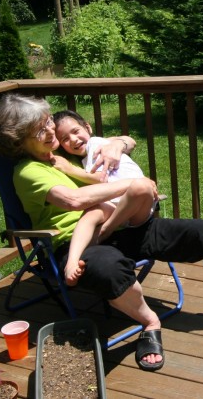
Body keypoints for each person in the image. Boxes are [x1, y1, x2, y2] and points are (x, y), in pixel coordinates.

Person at [0, 94, 203, 373]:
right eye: (39, 129)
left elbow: (115, 143)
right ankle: (150, 323)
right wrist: (133, 186)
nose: (49, 132)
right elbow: (73, 200)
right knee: (109, 268)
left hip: (117, 225)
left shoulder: (60, 157)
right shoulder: (27, 170)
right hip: (78, 243)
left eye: (48, 123)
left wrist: (119, 142)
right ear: (18, 142)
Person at [50, 110, 157, 286]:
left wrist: (69, 169)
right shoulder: (86, 157)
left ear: (87, 127)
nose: (74, 140)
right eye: (65, 139)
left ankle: (102, 233)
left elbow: (102, 178)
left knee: (95, 212)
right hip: (122, 207)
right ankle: (72, 262)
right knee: (92, 214)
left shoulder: (96, 145)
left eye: (76, 132)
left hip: (136, 201)